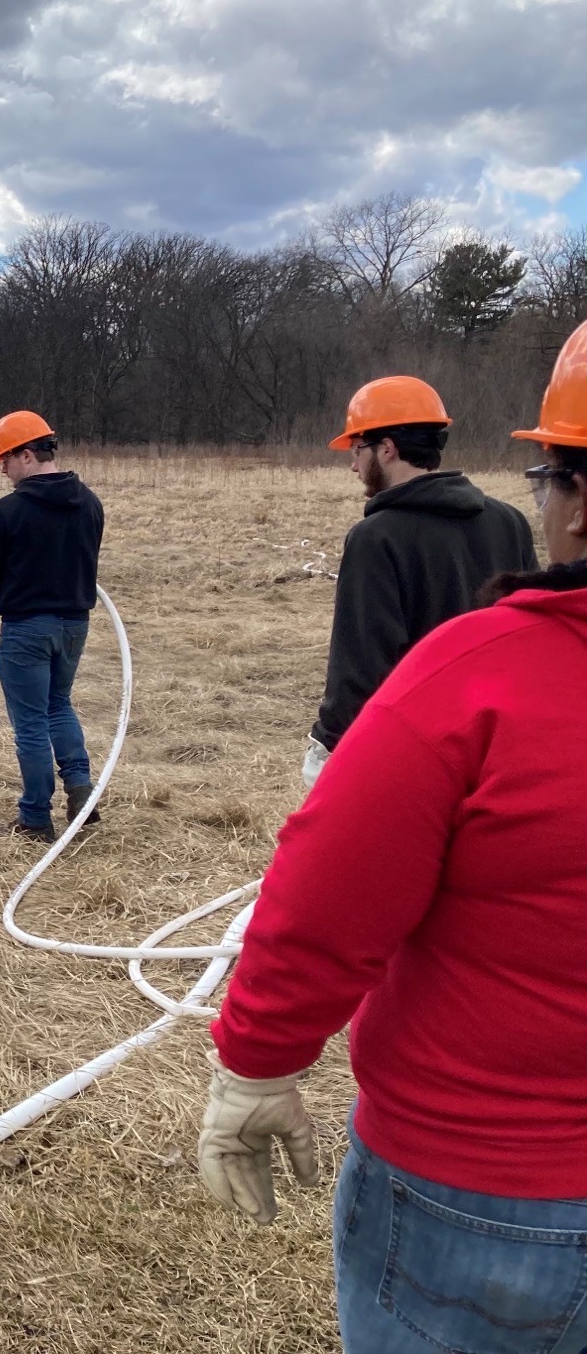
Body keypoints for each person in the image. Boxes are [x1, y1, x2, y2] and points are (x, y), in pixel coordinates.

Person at [198, 323, 587, 1353]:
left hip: (480, 1183)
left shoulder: (425, 611)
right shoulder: (501, 523)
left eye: (553, 475)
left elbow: (327, 897)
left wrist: (255, 1065)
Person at [303, 376, 534, 787]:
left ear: (387, 448)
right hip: (498, 755)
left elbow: (361, 668)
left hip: (414, 760)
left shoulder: (376, 538)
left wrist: (329, 746)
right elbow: (532, 640)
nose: (354, 465)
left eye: (358, 450)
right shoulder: (509, 522)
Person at [0, 412, 104, 839]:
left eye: (5, 459)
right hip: (75, 626)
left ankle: (35, 819)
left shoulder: (9, 510)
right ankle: (81, 792)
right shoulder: (90, 502)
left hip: (27, 632)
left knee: (31, 722)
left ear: (28, 455)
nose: (2, 469)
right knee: (59, 705)